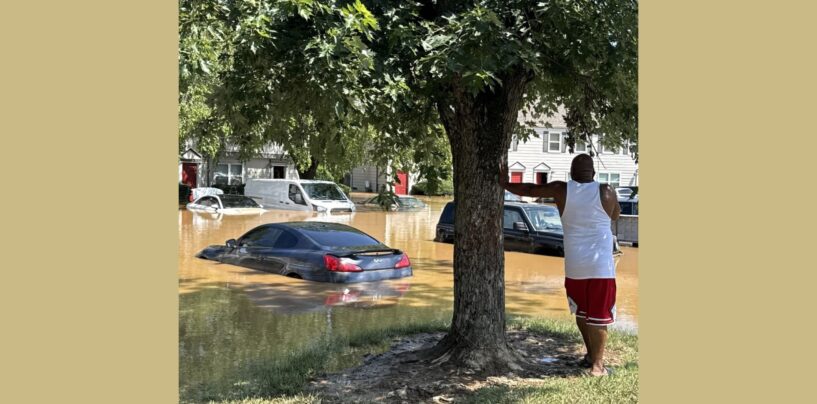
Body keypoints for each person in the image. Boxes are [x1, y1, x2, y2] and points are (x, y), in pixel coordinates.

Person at [500, 154, 620, 376]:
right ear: (593, 173)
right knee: (599, 316)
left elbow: (529, 189)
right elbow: (615, 215)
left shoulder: (560, 189)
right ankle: (598, 366)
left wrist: (504, 183)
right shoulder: (607, 191)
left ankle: (590, 356)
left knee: (582, 311)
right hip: (601, 267)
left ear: (571, 173)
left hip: (574, 266)